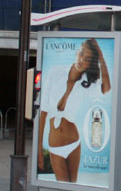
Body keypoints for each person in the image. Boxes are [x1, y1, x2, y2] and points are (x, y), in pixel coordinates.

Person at [38, 38, 111, 182]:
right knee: (63, 185)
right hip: (55, 146)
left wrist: (101, 58)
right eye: (82, 53)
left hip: (74, 143)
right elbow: (43, 112)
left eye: (88, 58)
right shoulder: (55, 72)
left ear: (90, 63)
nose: (82, 59)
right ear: (77, 51)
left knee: (73, 186)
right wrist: (39, 148)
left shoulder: (87, 84)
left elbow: (106, 88)